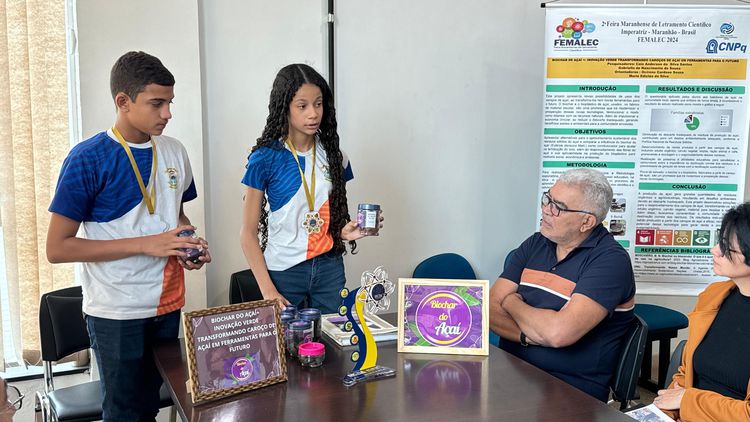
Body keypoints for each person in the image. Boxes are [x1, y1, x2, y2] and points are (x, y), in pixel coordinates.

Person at [46, 51, 210, 420]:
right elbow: (56, 248)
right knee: (124, 414)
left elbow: (176, 215)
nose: (167, 113)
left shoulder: (174, 150)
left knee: (155, 406)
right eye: (157, 103)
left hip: (168, 303)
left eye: (169, 102)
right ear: (123, 101)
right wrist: (146, 245)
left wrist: (188, 243)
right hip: (116, 311)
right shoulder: (86, 158)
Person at [240, 64, 381, 314]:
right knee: (287, 349)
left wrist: (345, 231)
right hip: (283, 272)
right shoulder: (265, 158)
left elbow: (330, 214)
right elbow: (247, 234)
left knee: (333, 345)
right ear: (285, 108)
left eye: (318, 103)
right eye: (302, 106)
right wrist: (268, 290)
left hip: (329, 269)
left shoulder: (336, 157)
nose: (313, 114)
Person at [489, 168, 635, 402]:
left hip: (569, 389)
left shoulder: (611, 261)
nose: (546, 210)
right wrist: (527, 336)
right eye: (547, 199)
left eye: (558, 207)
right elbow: (489, 309)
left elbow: (558, 334)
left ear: (586, 221)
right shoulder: (536, 243)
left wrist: (511, 302)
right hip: (511, 371)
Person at [655, 202, 750, 420]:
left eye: (726, 247)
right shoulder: (715, 296)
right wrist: (664, 411)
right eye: (720, 242)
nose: (714, 250)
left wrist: (686, 400)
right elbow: (685, 373)